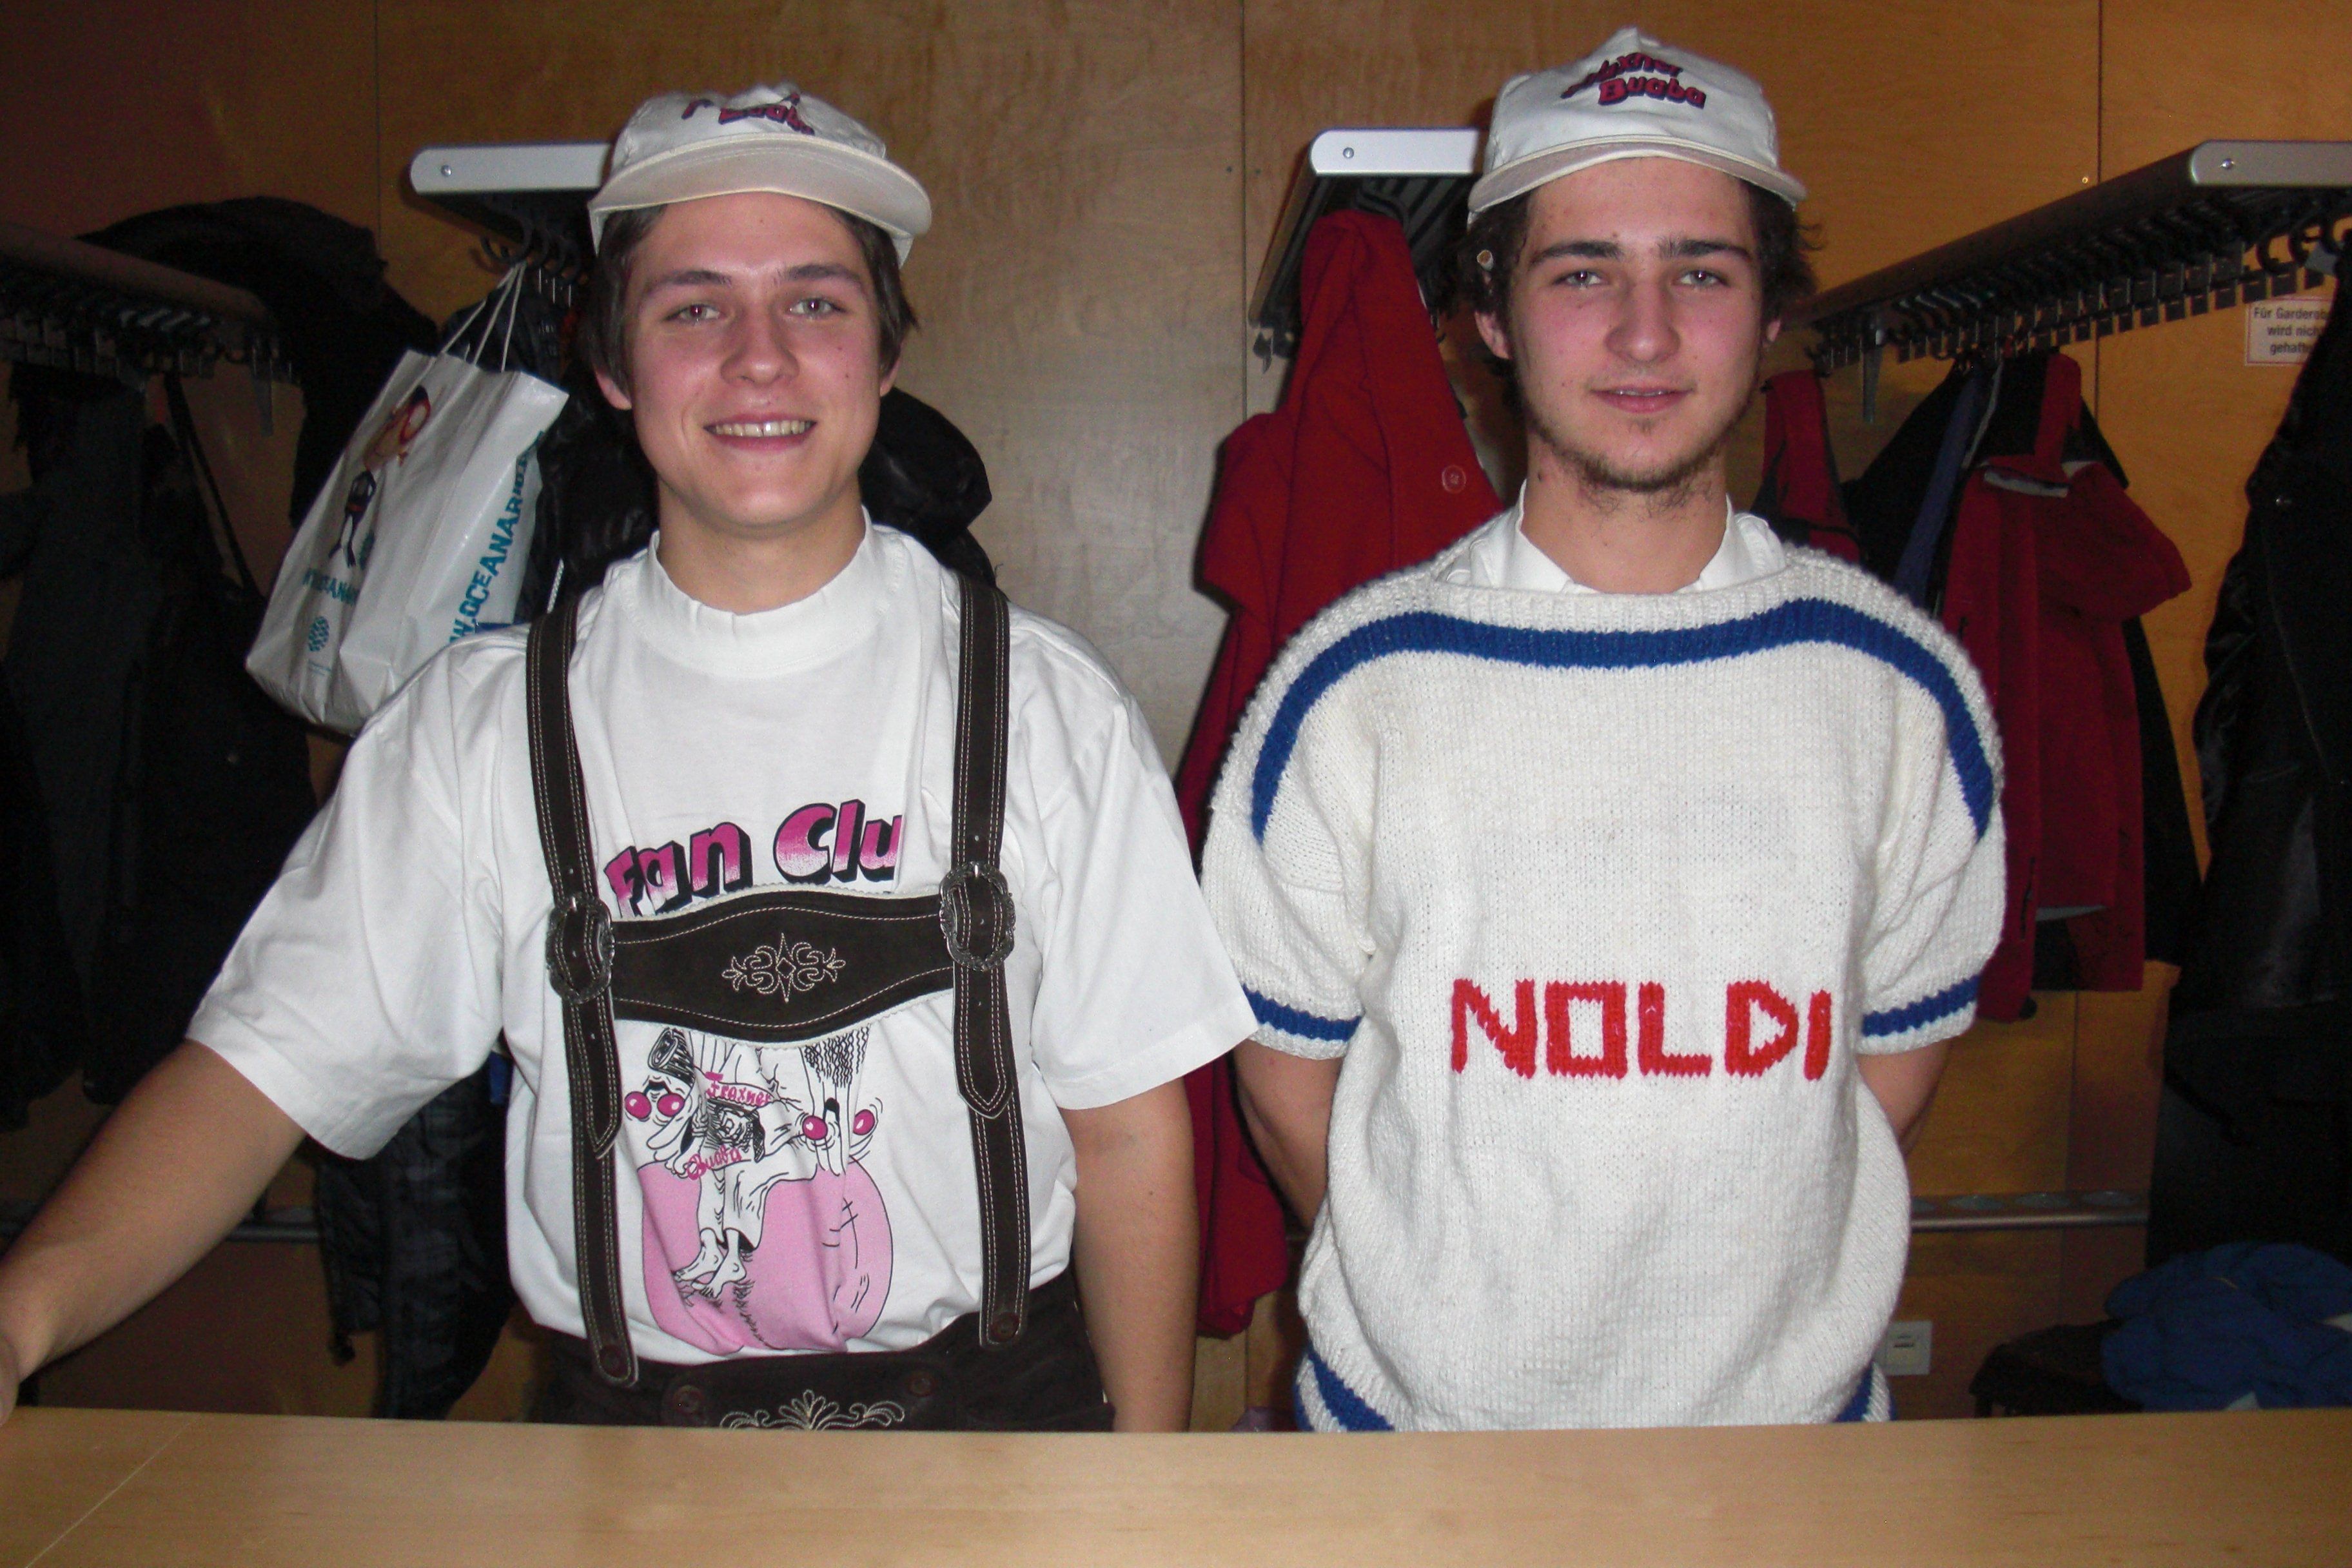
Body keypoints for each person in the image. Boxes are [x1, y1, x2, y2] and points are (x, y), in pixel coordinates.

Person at [0, 81, 1255, 1431]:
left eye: (816, 301)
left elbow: (1129, 1133)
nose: (760, 358)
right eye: (694, 308)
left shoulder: (1044, 707)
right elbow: (255, 1078)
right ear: (611, 364)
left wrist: (1143, 1490)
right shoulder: (481, 728)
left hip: (1001, 1442)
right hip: (628, 1464)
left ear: (886, 357)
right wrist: (21, 1314)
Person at [1202, 26, 2004, 1430]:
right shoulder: (1352, 689)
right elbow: (1284, 1077)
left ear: (1770, 314)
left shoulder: (1898, 691)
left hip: (1790, 1466)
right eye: (1583, 274)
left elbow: (1894, 1058)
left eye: (1702, 271)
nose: (1645, 333)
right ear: (1493, 318)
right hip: (1415, 1456)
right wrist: (1434, 1312)